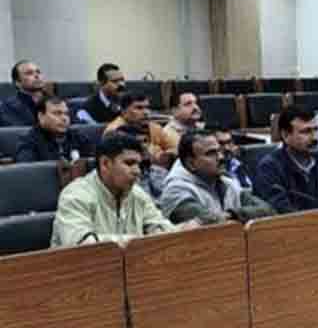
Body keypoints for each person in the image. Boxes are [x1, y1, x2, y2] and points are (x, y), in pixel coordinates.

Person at [51, 133, 196, 247]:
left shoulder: (138, 194)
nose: (137, 171)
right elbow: (84, 246)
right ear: (105, 164)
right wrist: (138, 241)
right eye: (129, 163)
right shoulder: (75, 195)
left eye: (139, 165)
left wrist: (182, 230)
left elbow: (160, 229)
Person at [160, 130, 274, 225]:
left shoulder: (227, 182)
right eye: (211, 153)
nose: (221, 157)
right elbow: (210, 223)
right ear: (191, 163)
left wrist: (232, 214)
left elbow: (268, 210)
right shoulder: (175, 190)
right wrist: (242, 216)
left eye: (219, 151)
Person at [253, 106, 318, 214]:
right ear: (285, 135)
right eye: (306, 132)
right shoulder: (269, 168)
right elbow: (282, 212)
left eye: (316, 130)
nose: (315, 138)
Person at [15, 96, 94, 163]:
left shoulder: (78, 137)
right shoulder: (28, 141)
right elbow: (29, 171)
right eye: (57, 113)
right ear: (41, 116)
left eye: (66, 114)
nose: (64, 118)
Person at [105, 92, 179, 163]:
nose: (146, 112)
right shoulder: (114, 132)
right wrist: (157, 152)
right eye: (139, 108)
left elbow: (176, 148)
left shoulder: (154, 127)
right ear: (124, 111)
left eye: (147, 107)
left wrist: (165, 155)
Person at [0, 59, 45, 127]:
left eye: (38, 72)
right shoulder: (7, 107)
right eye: (29, 73)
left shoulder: (55, 101)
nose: (37, 75)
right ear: (17, 83)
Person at [211, 124, 253, 190]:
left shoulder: (241, 163)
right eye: (221, 143)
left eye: (229, 142)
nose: (226, 148)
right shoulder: (212, 170)